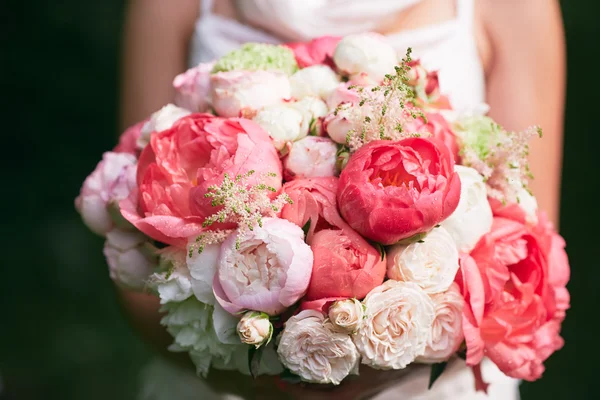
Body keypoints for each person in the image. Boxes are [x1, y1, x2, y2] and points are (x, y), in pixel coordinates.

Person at [119, 0, 566, 399]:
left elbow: (526, 260)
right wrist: (264, 377)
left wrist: (387, 364)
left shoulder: (517, 7)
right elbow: (132, 233)